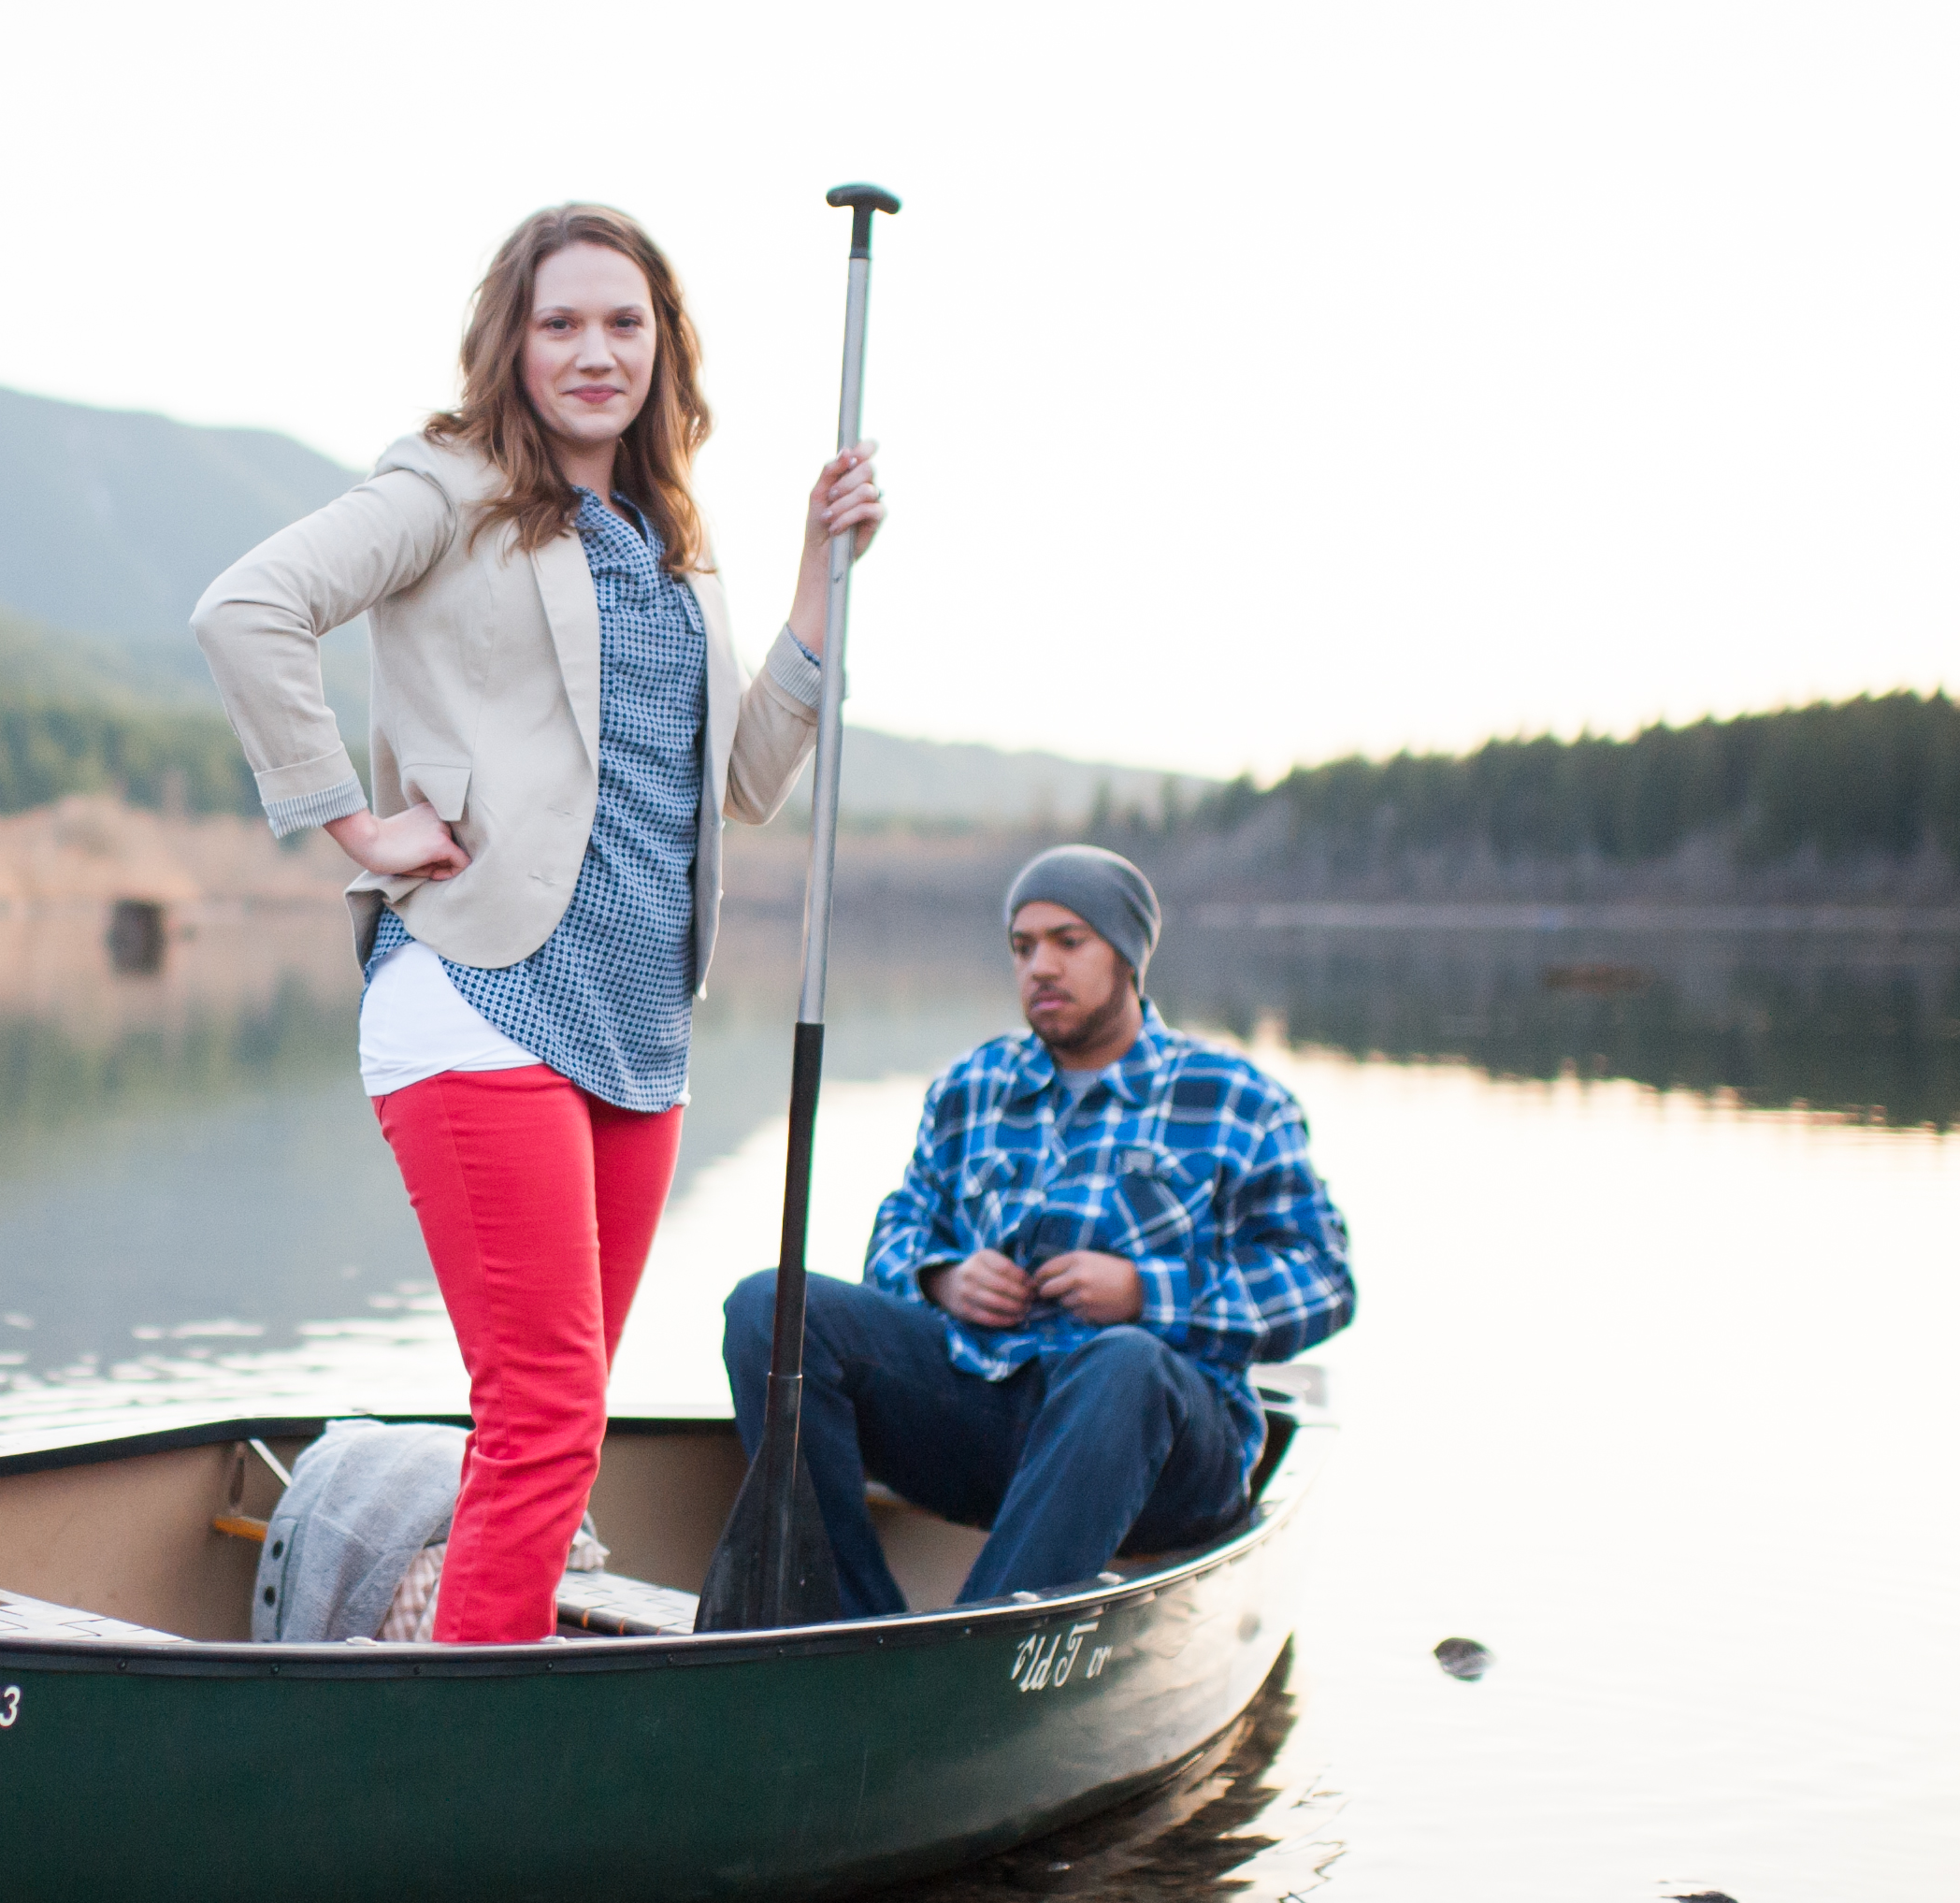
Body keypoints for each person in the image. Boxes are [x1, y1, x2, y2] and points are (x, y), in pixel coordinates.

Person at [193, 203, 884, 1644]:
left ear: (663, 349)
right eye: (560, 322)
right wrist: (354, 826)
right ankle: (452, 1766)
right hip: (477, 994)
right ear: (512, 343)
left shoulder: (673, 545)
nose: (593, 352)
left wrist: (822, 574)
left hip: (638, 1036)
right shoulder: (448, 489)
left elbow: (747, 778)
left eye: (623, 323)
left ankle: (461, 1660)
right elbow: (248, 609)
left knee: (553, 1425)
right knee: (550, 1425)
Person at [720, 844, 1354, 1610]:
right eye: (1023, 948)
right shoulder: (972, 1087)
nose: (1040, 967)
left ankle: (967, 1654)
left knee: (1125, 1363)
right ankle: (844, 1627)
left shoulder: (1236, 1099)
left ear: (1126, 954)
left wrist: (1146, 1294)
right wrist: (941, 1278)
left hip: (1164, 1450)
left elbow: (1322, 1279)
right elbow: (900, 1226)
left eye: (1068, 942)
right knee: (770, 1306)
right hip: (985, 1414)